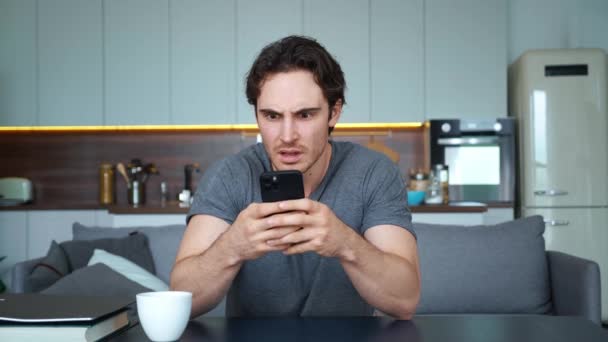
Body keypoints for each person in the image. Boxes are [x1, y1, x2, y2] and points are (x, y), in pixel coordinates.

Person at [170, 35, 420, 319]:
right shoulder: (230, 175)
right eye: (272, 116)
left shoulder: (374, 173)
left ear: (334, 112)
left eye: (304, 115)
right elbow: (181, 300)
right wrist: (233, 246)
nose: (287, 137)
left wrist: (345, 244)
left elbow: (405, 301)